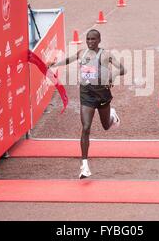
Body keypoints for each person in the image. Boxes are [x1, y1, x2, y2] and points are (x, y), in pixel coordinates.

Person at [48, 29, 126, 179]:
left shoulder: (105, 55)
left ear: (99, 40)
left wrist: (113, 75)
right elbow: (68, 60)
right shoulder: (82, 53)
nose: (90, 42)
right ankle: (84, 166)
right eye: (88, 39)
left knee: (106, 126)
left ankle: (113, 116)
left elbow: (123, 69)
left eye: (93, 39)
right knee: (85, 127)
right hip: (86, 95)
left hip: (102, 94)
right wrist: (53, 64)